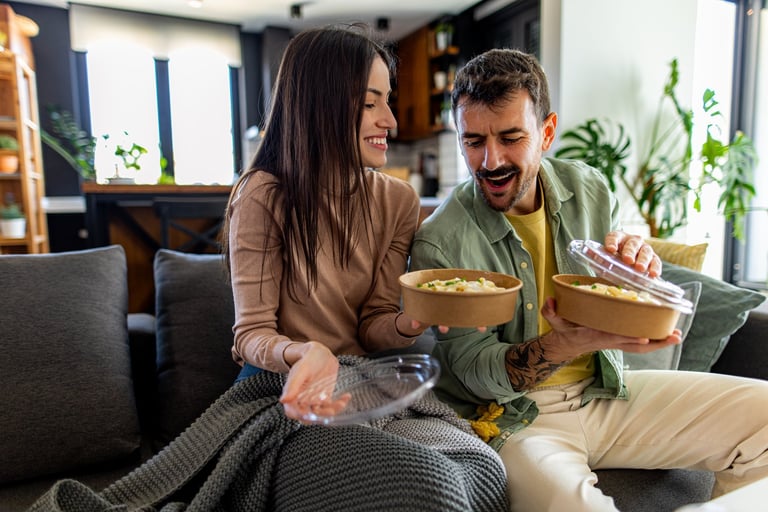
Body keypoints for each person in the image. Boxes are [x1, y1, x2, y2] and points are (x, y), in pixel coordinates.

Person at [409, 48, 768, 512]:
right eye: (473, 141)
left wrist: (637, 270)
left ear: (547, 132)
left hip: (608, 391)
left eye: (511, 137)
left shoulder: (589, 188)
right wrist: (568, 343)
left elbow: (617, 287)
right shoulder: (441, 241)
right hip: (519, 418)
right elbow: (477, 376)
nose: (489, 160)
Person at [220, 25, 431, 419]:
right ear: (320, 105)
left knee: (477, 462)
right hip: (277, 384)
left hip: (359, 379)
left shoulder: (399, 201)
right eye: (370, 104)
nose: (390, 120)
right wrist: (305, 352)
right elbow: (252, 335)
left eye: (388, 101)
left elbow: (374, 324)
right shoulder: (264, 194)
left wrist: (415, 319)